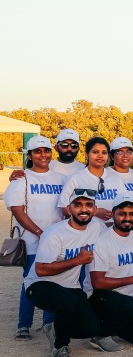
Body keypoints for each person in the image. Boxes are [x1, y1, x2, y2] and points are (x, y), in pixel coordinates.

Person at [28, 188, 108, 357]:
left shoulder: (97, 226)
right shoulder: (55, 233)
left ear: (95, 209)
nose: (83, 209)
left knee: (92, 328)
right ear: (69, 209)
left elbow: (114, 231)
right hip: (39, 285)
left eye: (88, 205)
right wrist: (77, 260)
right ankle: (60, 347)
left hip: (70, 288)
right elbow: (40, 270)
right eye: (78, 205)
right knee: (67, 301)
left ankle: (56, 328)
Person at [6, 136, 65, 340]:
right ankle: (23, 325)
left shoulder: (60, 179)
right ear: (30, 155)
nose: (43, 155)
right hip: (33, 240)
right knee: (30, 282)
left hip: (57, 241)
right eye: (37, 151)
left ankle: (49, 323)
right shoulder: (21, 178)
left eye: (46, 151)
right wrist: (41, 233)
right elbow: (17, 210)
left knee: (55, 281)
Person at [87, 193, 133, 348]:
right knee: (131, 305)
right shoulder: (102, 240)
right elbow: (97, 283)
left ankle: (117, 326)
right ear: (113, 214)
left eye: (131, 214)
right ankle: (100, 335)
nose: (127, 218)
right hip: (100, 297)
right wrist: (132, 280)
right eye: (122, 214)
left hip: (127, 298)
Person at [58, 137, 123, 227]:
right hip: (86, 233)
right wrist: (94, 212)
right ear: (87, 155)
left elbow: (125, 205)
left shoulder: (115, 178)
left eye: (104, 152)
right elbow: (64, 209)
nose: (100, 155)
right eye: (95, 152)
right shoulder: (75, 178)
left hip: (112, 231)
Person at [108, 137, 133, 231]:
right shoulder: (104, 175)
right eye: (120, 152)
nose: (125, 155)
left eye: (129, 152)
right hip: (112, 232)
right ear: (112, 156)